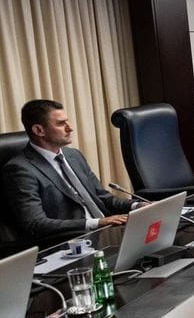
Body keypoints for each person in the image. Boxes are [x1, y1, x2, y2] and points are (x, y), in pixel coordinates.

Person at [2, 99, 133, 243]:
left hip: (109, 231)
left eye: (67, 121)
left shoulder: (74, 155)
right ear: (39, 130)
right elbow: (36, 224)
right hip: (73, 242)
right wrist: (97, 223)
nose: (70, 128)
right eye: (60, 123)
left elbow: (103, 198)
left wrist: (136, 206)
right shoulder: (19, 170)